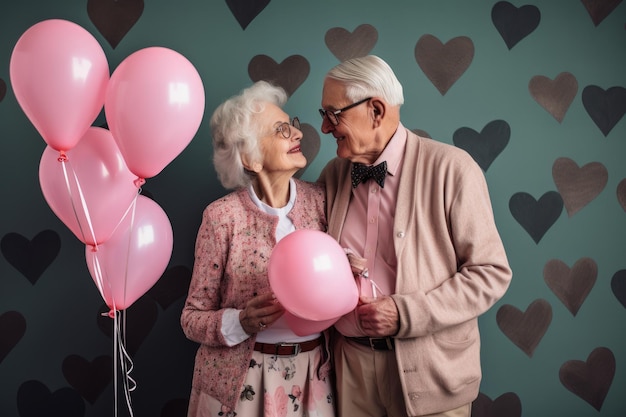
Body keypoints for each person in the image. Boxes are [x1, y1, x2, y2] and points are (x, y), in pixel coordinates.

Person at [317, 55, 512, 417]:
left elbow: (490, 273)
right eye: (323, 114)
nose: (326, 128)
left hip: (433, 373)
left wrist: (405, 313)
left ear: (376, 110)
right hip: (349, 372)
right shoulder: (333, 174)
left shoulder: (453, 168)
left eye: (334, 114)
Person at [181, 81, 335, 417]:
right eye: (281, 130)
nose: (297, 133)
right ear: (250, 156)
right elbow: (191, 318)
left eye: (292, 124)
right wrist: (242, 321)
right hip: (241, 380)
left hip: (313, 376)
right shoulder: (221, 217)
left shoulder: (322, 202)